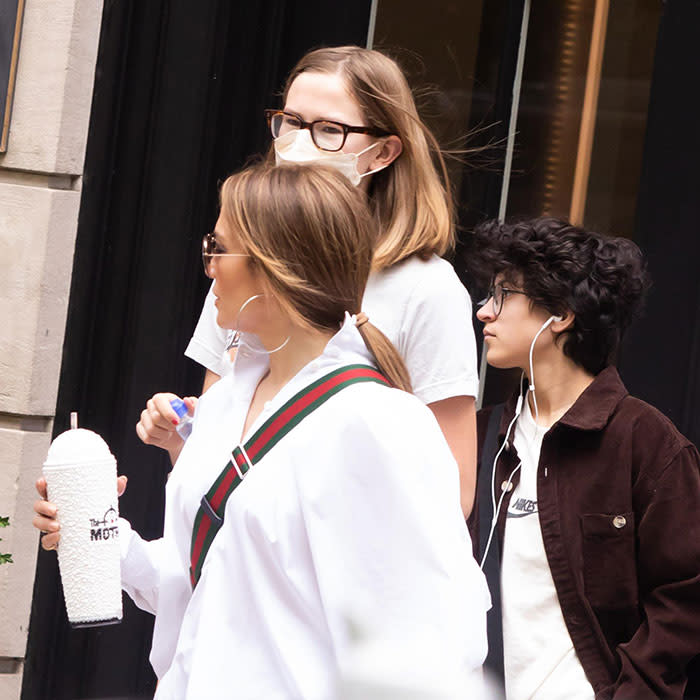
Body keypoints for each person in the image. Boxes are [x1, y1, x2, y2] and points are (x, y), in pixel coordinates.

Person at [34, 164, 490, 698]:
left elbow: (431, 643)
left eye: (217, 248)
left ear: (275, 268)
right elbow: (209, 584)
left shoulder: (375, 422)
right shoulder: (223, 403)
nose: (207, 268)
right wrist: (103, 539)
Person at [136, 45, 480, 517]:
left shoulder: (427, 290)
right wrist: (182, 437)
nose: (299, 144)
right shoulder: (244, 261)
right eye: (291, 122)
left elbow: (452, 495)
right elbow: (216, 458)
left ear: (382, 152)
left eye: (329, 130)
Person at [468, 216, 700, 699]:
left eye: (503, 295)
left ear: (561, 315)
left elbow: (684, 599)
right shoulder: (483, 436)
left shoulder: (646, 444)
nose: (484, 313)